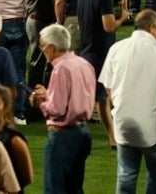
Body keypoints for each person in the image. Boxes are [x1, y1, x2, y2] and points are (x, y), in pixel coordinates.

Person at [100, 9, 156, 194]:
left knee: (126, 175)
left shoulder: (116, 48)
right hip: (155, 127)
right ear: (152, 27)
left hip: (124, 124)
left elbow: (108, 87)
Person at [30, 23, 94, 194]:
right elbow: (75, 96)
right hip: (82, 133)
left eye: (43, 46)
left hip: (63, 136)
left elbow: (57, 109)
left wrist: (40, 103)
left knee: (55, 189)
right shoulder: (83, 63)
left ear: (52, 48)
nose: (42, 50)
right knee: (75, 189)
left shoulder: (60, 69)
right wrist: (49, 94)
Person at [77, 0, 128, 147]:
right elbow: (109, 26)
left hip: (87, 49)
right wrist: (123, 17)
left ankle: (113, 139)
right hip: (99, 53)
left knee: (100, 98)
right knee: (96, 98)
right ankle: (107, 139)